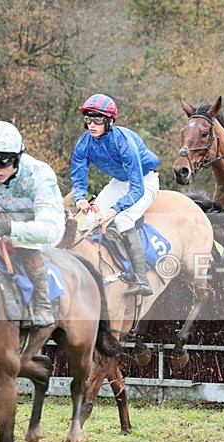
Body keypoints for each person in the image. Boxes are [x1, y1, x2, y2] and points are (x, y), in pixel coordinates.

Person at [0, 121, 65, 327]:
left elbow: (49, 230)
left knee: (23, 243)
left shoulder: (39, 174)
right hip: (4, 214)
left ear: (17, 157)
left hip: (41, 224)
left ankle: (43, 305)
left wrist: (10, 229)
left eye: (2, 162)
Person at [70, 93, 159, 296]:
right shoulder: (83, 143)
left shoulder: (124, 142)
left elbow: (136, 188)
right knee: (89, 219)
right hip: (119, 181)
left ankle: (141, 279)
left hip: (144, 180)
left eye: (98, 120)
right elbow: (79, 175)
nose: (92, 125)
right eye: (88, 120)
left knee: (123, 219)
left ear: (109, 122)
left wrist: (114, 210)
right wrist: (80, 198)